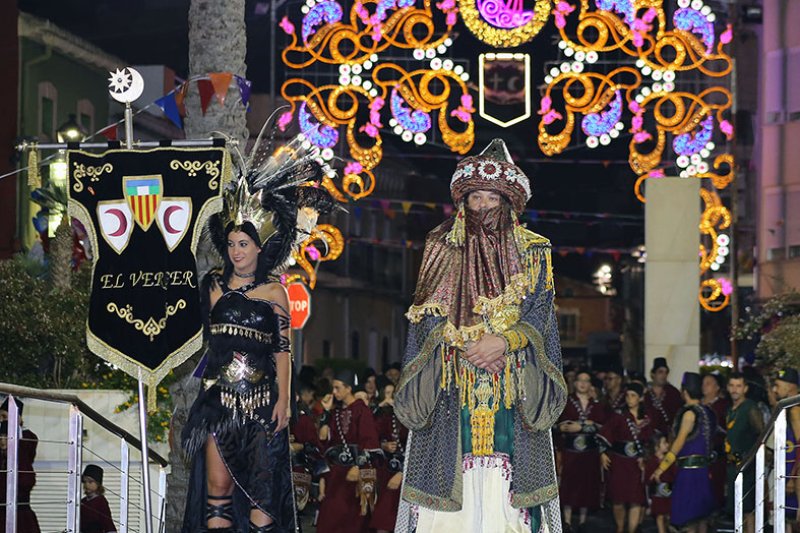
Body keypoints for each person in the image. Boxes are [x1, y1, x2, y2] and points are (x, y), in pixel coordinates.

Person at [393, 139, 567, 533]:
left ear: (507, 202)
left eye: (492, 196)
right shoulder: (441, 245)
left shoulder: (534, 249)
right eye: (476, 197)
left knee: (508, 500)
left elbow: (541, 315)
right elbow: (424, 317)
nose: (484, 205)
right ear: (463, 202)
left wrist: (505, 342)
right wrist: (467, 346)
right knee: (450, 499)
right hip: (452, 386)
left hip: (513, 385)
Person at [181, 132, 334, 533]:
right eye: (231, 243)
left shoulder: (275, 292)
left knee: (262, 497)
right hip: (219, 403)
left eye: (244, 243)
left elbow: (284, 350)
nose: (236, 251)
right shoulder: (212, 286)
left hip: (264, 404)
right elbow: (200, 339)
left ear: (261, 246)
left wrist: (284, 400)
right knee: (217, 491)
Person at [317, 370, 381, 533]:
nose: (334, 392)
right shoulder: (335, 412)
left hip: (353, 473)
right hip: (335, 474)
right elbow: (325, 440)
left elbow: (369, 441)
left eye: (338, 388)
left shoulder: (361, 411)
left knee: (350, 520)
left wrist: (359, 467)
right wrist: (325, 413)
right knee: (329, 518)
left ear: (348, 388)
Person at [651, 372, 715, 532]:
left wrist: (661, 468)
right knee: (701, 518)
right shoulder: (708, 412)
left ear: (684, 391)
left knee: (688, 520)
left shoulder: (689, 413)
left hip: (689, 473)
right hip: (704, 470)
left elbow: (679, 443)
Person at [557, 368, 609, 530]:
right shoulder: (566, 401)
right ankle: (566, 521)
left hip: (589, 453)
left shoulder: (596, 404)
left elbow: (602, 426)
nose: (583, 384)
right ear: (575, 383)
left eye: (586, 381)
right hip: (571, 452)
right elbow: (559, 425)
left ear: (590, 384)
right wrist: (584, 425)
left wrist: (581, 426)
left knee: (587, 485)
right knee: (569, 485)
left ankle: (582, 521)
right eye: (580, 380)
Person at [599, 382, 654, 533]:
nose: (629, 399)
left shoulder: (648, 418)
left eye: (633, 395)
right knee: (618, 499)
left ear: (641, 398)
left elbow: (651, 441)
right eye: (628, 395)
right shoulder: (619, 415)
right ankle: (620, 528)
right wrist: (603, 453)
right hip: (619, 463)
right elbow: (606, 433)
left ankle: (631, 530)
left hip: (638, 464)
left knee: (636, 500)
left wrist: (647, 458)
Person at [724, 372, 764, 533]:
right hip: (732, 465)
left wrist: (751, 459)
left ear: (745, 388)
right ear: (727, 387)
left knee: (747, 508)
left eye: (738, 386)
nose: (735, 389)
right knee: (737, 508)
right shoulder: (731, 409)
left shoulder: (750, 408)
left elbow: (762, 434)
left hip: (747, 465)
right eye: (732, 385)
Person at [370, 378, 408, 533]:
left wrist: (401, 473)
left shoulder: (413, 417)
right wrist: (383, 445)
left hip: (406, 474)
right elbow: (369, 436)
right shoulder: (386, 416)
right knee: (383, 519)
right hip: (387, 471)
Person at [0, 398, 41, 533]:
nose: (2, 420)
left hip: (20, 504)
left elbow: (26, 459)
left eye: (5, 417)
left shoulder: (29, 437)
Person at [771, 368, 800, 532]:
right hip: (786, 471)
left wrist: (793, 477)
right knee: (786, 519)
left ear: (790, 387)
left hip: (793, 474)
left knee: (793, 519)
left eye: (777, 385)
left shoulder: (795, 410)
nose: (775, 390)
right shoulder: (787, 409)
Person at [702, 373, 729, 509]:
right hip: (700, 453)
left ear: (717, 387)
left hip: (717, 453)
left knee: (716, 484)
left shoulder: (722, 405)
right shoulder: (698, 405)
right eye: (704, 383)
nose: (704, 386)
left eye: (709, 383)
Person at [644, 434, 676, 533]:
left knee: (668, 515)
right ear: (656, 446)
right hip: (658, 495)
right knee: (660, 516)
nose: (667, 445)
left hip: (670, 493)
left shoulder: (670, 460)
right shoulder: (651, 461)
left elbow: (675, 474)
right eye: (664, 443)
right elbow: (647, 479)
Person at [644, 358, 683, 435]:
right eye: (660, 372)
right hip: (649, 436)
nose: (663, 375)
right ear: (653, 374)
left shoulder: (673, 393)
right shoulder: (646, 394)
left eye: (666, 373)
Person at [80, 465, 117, 533]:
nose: (86, 485)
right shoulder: (83, 502)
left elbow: (108, 524)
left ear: (98, 483)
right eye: (84, 482)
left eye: (90, 482)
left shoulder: (101, 502)